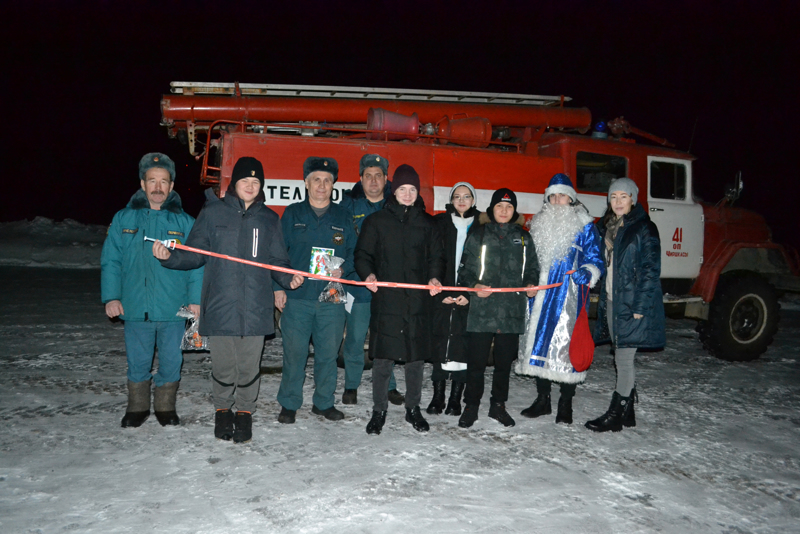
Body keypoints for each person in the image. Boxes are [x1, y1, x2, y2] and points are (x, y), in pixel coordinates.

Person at [154, 157, 303, 443]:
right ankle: (222, 411)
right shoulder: (213, 213)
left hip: (256, 307)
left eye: (255, 182)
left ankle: (245, 413)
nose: (250, 186)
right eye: (245, 181)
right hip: (221, 305)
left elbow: (277, 261)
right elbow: (195, 252)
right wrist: (171, 257)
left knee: (249, 367)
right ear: (234, 183)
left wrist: (288, 279)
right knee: (223, 366)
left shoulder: (269, 219)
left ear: (261, 186)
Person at [101, 152, 203, 429]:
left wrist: (195, 300)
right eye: (152, 181)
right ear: (143, 184)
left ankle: (165, 407)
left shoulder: (186, 223)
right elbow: (111, 261)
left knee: (172, 360)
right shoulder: (123, 219)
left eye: (164, 182)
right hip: (135, 307)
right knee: (138, 360)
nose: (158, 187)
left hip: (173, 308)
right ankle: (137, 408)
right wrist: (111, 297)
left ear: (171, 186)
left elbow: (197, 265)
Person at [354, 164, 445, 434]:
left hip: (418, 302)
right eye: (403, 189)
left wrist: (434, 277)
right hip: (388, 300)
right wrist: (368, 274)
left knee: (415, 360)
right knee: (383, 359)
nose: (407, 194)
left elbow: (436, 257)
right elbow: (362, 255)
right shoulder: (377, 221)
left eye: (412, 189)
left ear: (418, 192)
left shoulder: (427, 224)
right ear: (394, 191)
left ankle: (413, 408)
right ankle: (379, 410)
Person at [274, 157, 358, 424]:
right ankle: (289, 403)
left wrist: (343, 271)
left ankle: (323, 403)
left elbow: (356, 254)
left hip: (331, 298)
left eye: (327, 180)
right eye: (316, 179)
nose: (322, 185)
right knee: (295, 354)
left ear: (333, 185)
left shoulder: (343, 217)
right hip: (297, 298)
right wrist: (279, 286)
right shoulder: (292, 214)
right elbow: (277, 255)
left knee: (328, 355)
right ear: (306, 183)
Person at [516, 174, 604, 424]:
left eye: (561, 196)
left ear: (571, 198)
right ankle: (542, 400)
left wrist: (586, 273)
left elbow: (596, 259)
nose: (556, 201)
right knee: (539, 343)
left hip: (569, 298)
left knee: (566, 348)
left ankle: (566, 403)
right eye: (552, 196)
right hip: (539, 297)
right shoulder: (538, 223)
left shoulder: (585, 225)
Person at [585, 177, 665, 432]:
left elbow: (651, 270)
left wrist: (641, 306)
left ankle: (615, 413)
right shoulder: (607, 227)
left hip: (632, 305)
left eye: (624, 196)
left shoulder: (644, 228)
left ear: (633, 199)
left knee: (624, 358)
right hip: (612, 301)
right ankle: (628, 411)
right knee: (620, 356)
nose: (618, 201)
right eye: (614, 197)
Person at [457, 189, 539, 429]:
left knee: (504, 364)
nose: (504, 211)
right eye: (500, 206)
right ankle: (471, 406)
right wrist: (474, 286)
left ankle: (498, 406)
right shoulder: (479, 234)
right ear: (492, 209)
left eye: (509, 207)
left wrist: (531, 285)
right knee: (476, 363)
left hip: (510, 311)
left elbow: (532, 269)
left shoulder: (524, 238)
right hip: (482, 309)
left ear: (514, 212)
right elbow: (464, 271)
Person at [338, 154, 404, 406]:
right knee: (354, 338)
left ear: (386, 179)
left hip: (388, 289)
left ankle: (390, 386)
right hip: (358, 287)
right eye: (368, 176)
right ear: (361, 179)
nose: (373, 180)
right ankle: (352, 385)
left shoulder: (396, 205)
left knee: (387, 338)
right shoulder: (348, 207)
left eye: (378, 175)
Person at [426, 181, 480, 416]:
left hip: (468, 297)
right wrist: (440, 294)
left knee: (462, 346)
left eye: (466, 196)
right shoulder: (438, 223)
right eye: (456, 196)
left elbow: (485, 268)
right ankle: (438, 396)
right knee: (441, 342)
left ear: (473, 200)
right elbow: (430, 258)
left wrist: (471, 296)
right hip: (443, 295)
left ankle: (456, 398)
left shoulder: (482, 226)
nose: (461, 200)